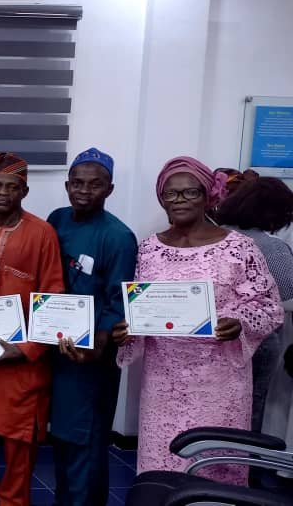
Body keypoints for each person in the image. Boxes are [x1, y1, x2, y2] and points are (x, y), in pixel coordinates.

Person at [113, 156, 283, 485]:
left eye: (189, 192)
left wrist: (239, 323)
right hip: (163, 382)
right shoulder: (148, 249)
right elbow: (141, 305)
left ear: (208, 195)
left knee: (214, 468)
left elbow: (268, 306)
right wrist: (128, 330)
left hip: (220, 382)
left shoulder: (239, 248)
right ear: (161, 199)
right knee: (160, 467)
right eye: (170, 194)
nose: (179, 201)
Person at [0, 152, 64, 506]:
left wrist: (26, 350)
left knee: (19, 444)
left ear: (25, 190)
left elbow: (53, 296)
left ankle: (13, 502)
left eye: (11, 187)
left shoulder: (42, 233)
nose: (2, 192)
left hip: (21, 361)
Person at [46, 148, 137, 505]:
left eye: (95, 185)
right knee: (64, 440)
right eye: (77, 183)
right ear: (67, 185)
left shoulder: (117, 237)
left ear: (109, 189)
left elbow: (119, 302)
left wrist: (94, 345)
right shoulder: (57, 219)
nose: (84, 191)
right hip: (58, 348)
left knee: (88, 443)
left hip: (90, 359)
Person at [216, 177, 293, 437]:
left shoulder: (212, 236)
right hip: (257, 338)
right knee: (250, 407)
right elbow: (286, 291)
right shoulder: (272, 247)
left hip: (211, 334)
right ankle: (243, 468)